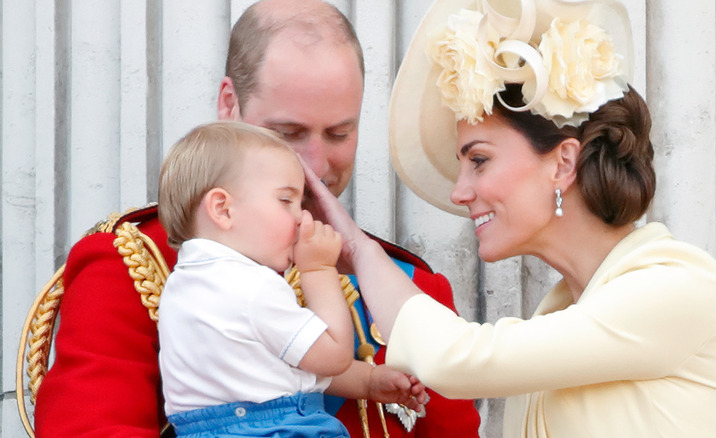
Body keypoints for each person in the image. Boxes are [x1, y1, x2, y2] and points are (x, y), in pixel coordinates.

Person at [33, 1, 481, 437]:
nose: (316, 166)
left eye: (339, 133)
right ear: (229, 105)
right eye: (287, 134)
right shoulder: (133, 267)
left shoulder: (413, 288)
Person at [302, 0, 716, 437]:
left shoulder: (680, 283)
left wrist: (359, 248)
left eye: (479, 159)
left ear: (563, 163)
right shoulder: (559, 312)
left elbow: (451, 359)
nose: (460, 192)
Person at [157, 121, 414, 437]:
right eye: (285, 200)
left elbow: (280, 369)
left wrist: (369, 382)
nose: (302, 217)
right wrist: (318, 270)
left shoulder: (180, 287)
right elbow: (330, 356)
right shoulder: (252, 286)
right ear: (222, 209)